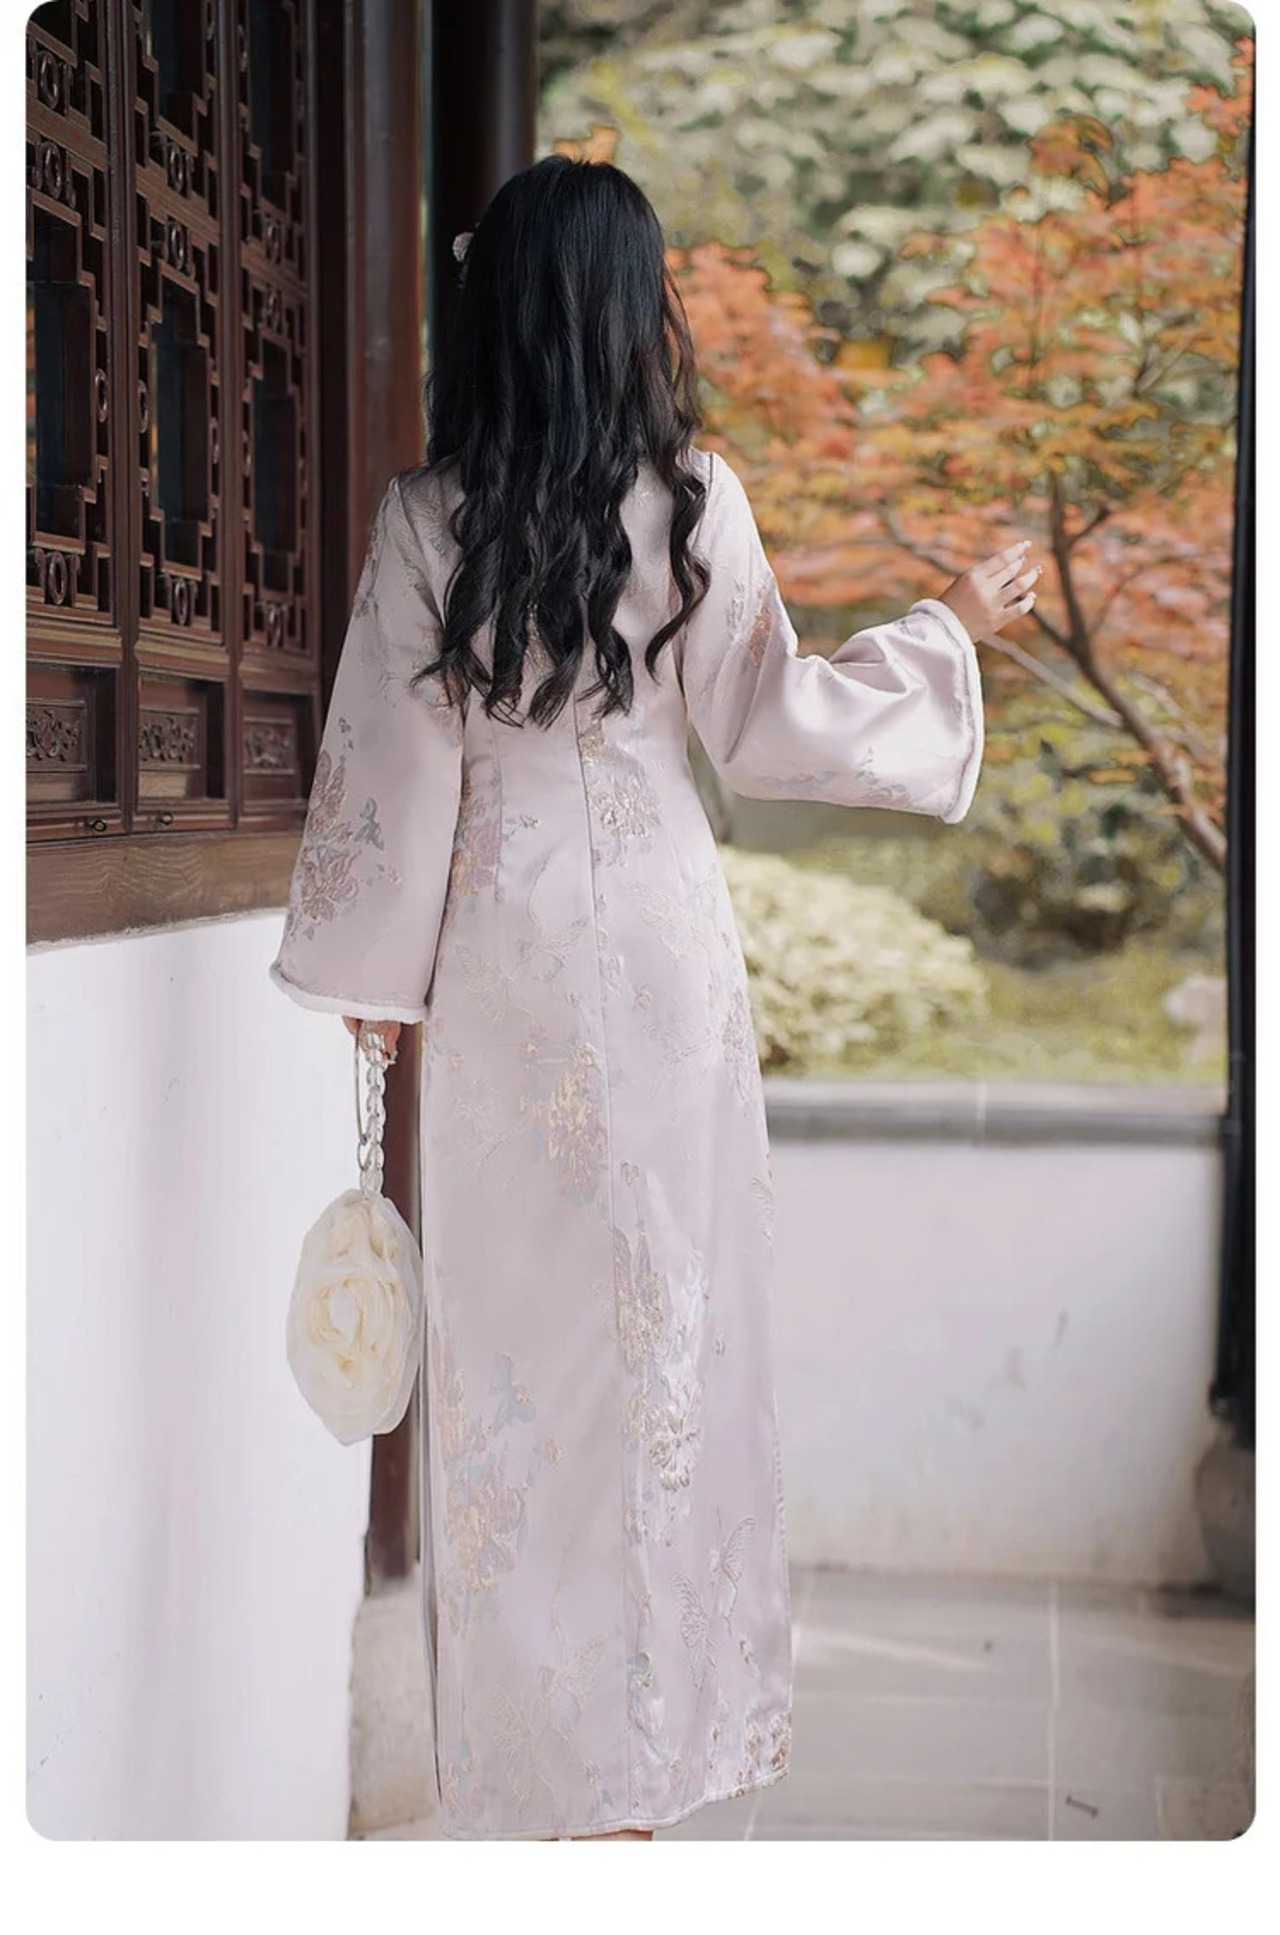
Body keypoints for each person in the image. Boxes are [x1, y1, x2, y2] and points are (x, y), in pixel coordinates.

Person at [268, 153, 1038, 1842]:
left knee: (521, 1364)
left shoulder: (430, 517)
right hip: (668, 957)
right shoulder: (695, 499)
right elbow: (770, 725)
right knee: (672, 1340)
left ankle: (539, 1768)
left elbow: (398, 768)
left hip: (506, 964)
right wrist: (947, 630)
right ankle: (658, 1750)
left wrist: (374, 982)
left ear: (491, 305)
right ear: (634, 309)